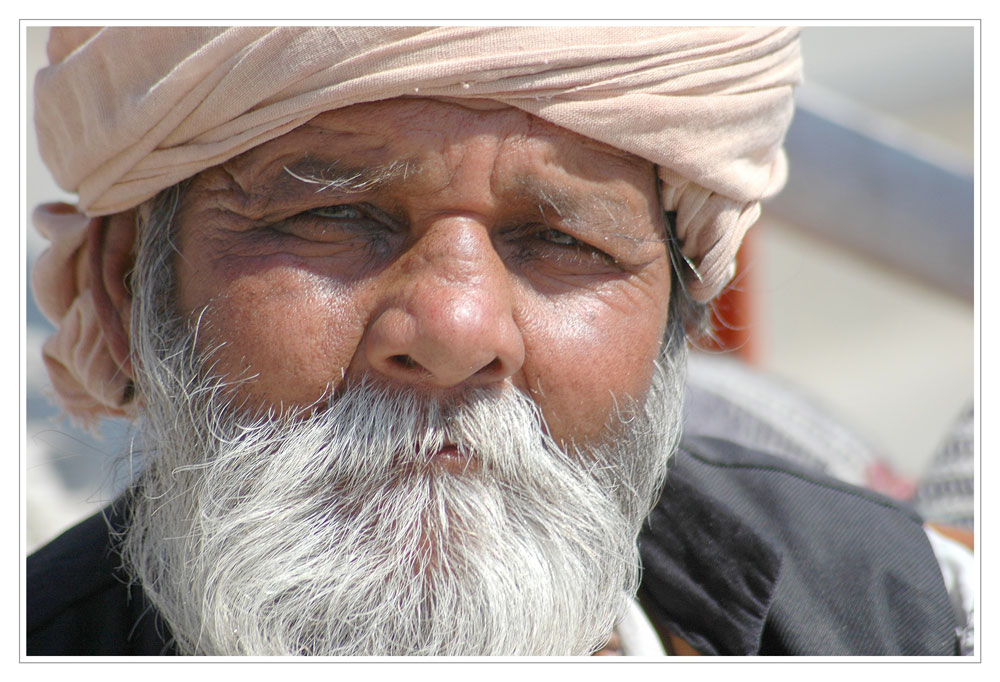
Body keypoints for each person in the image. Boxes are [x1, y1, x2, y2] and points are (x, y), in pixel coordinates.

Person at [26, 26, 971, 656]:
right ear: (122, 289)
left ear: (678, 322)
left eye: (563, 241)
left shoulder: (896, 610)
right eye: (338, 217)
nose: (455, 331)